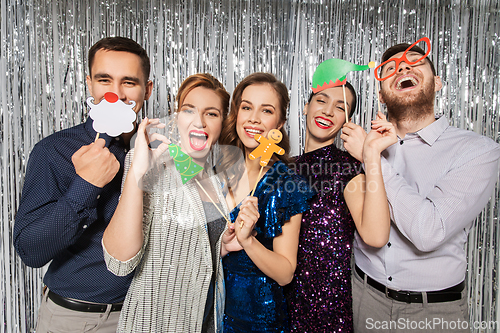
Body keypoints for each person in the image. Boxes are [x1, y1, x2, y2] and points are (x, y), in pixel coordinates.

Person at [342, 38, 500, 332]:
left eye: (415, 61)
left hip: (434, 313)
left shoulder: (478, 150)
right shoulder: (357, 142)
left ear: (437, 82)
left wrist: (372, 157)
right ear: (381, 96)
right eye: (390, 68)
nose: (402, 66)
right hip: (363, 297)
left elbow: (428, 232)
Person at [13, 36, 153, 332]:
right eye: (104, 80)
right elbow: (31, 251)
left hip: (148, 315)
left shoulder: (161, 149)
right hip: (79, 319)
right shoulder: (54, 151)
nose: (115, 93)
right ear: (89, 83)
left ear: (147, 90)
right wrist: (85, 186)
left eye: (128, 82)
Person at [102, 73, 231, 333]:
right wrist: (138, 174)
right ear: (176, 116)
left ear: (224, 122)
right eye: (189, 110)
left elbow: (200, 254)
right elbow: (119, 262)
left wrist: (224, 247)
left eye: (212, 113)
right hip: (154, 324)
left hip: (205, 323)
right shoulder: (153, 164)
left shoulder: (217, 181)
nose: (199, 122)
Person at [285, 60, 396, 332]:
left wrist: (370, 156)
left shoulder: (345, 167)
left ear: (346, 121)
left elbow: (376, 236)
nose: (328, 111)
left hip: (327, 310)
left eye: (340, 107)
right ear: (305, 107)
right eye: (321, 100)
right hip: (279, 300)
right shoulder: (284, 167)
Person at [219, 72, 314, 333]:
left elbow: (286, 272)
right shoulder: (215, 170)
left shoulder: (285, 184)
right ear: (235, 113)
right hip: (206, 311)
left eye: (266, 110)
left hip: (256, 320)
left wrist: (248, 241)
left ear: (280, 122)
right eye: (246, 107)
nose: (253, 118)